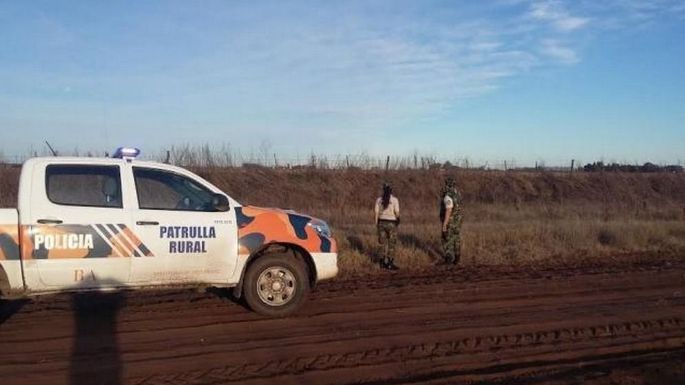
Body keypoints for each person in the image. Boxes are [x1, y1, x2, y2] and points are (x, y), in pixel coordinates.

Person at [374, 183, 400, 270]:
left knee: (382, 243)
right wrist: (398, 220)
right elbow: (397, 212)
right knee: (391, 244)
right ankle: (390, 263)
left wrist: (376, 223)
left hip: (381, 222)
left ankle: (381, 263)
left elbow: (376, 213)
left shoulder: (379, 200)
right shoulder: (395, 200)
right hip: (392, 223)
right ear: (391, 190)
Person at [439, 177, 463, 265]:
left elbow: (449, 210)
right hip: (458, 222)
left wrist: (445, 225)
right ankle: (457, 258)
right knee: (456, 239)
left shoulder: (448, 196)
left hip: (450, 222)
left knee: (446, 239)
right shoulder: (457, 194)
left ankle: (448, 259)